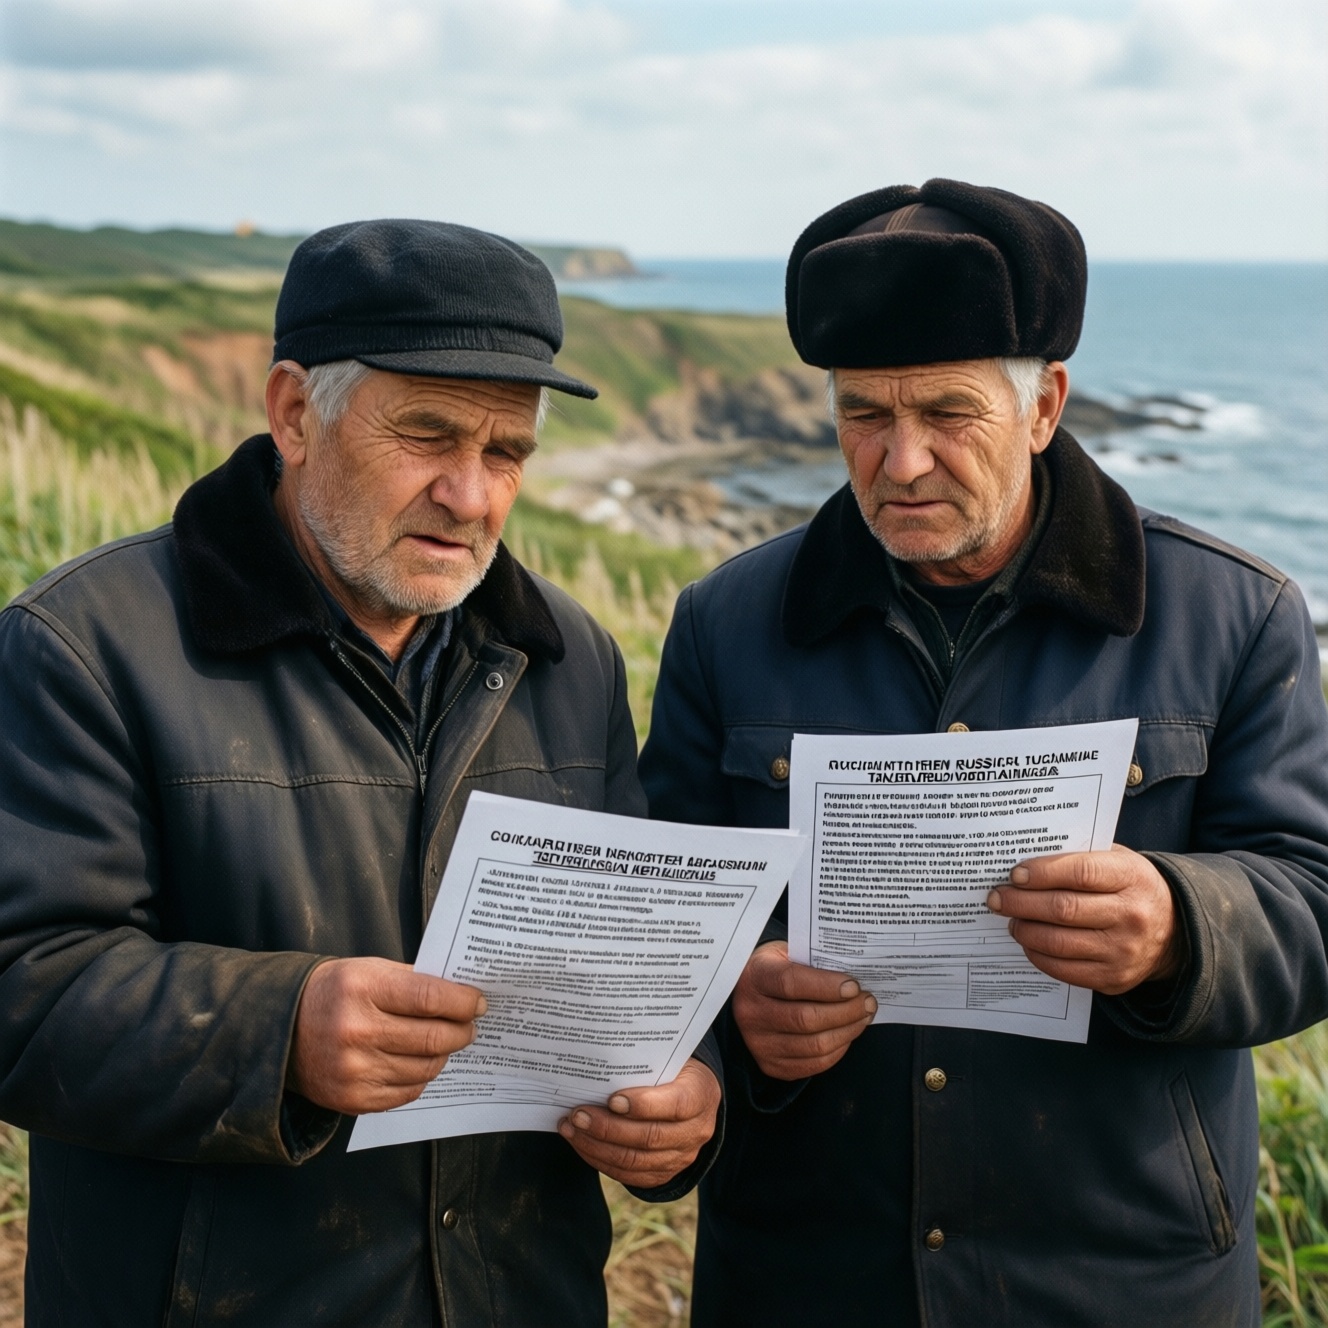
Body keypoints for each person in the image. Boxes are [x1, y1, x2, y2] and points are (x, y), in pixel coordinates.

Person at [0, 219, 721, 1326]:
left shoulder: (571, 657)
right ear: (294, 411)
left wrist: (683, 1099)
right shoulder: (84, 643)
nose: (470, 495)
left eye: (506, 454)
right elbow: (24, 985)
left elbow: (634, 965)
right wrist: (275, 1029)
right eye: (426, 436)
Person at [639, 178, 1328, 1326]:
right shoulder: (722, 621)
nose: (900, 461)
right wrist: (727, 1008)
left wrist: (1176, 921)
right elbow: (659, 923)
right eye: (862, 414)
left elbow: (1311, 898)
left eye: (947, 414)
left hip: (1121, 1278)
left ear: (1045, 403)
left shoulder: (1237, 615)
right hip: (807, 1275)